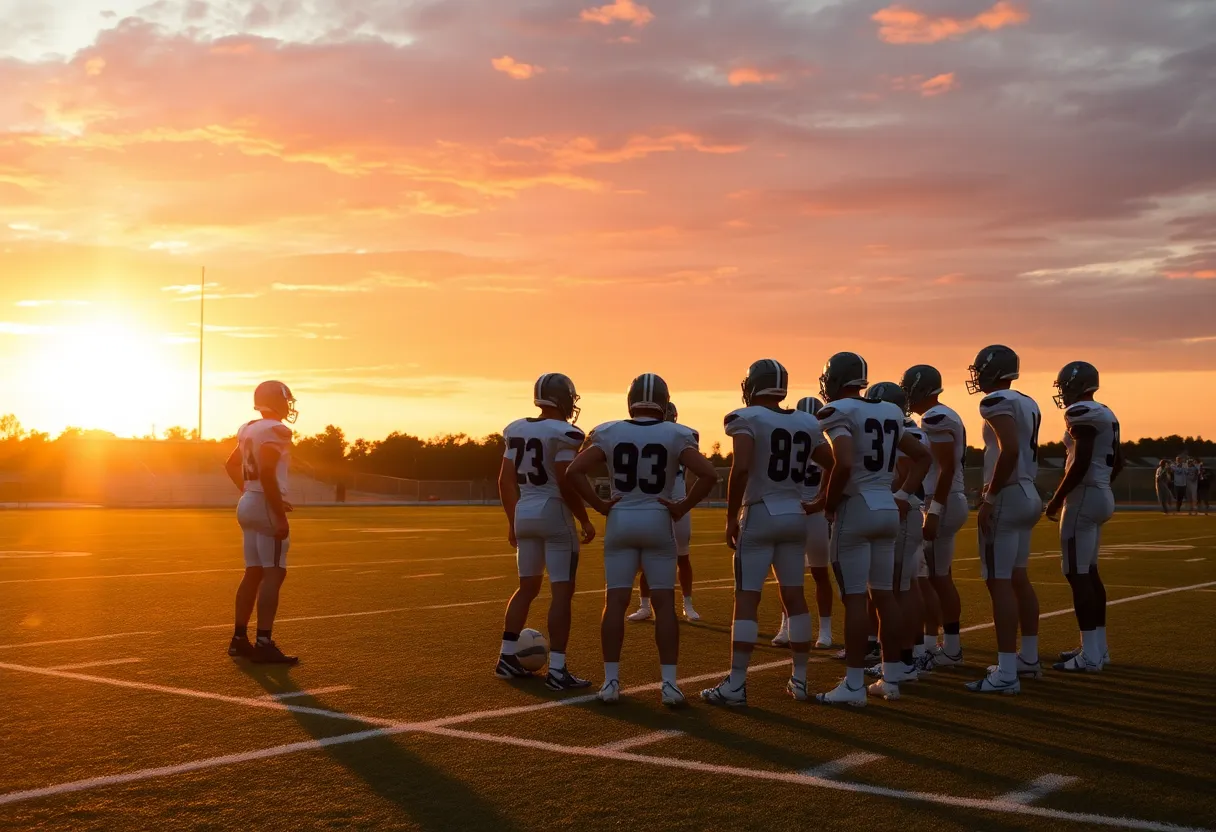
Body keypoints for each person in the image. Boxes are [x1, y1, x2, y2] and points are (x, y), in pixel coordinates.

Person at [565, 373, 719, 707]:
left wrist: (601, 505)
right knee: (664, 604)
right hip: (657, 518)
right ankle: (669, 684)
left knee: (615, 602)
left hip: (621, 518)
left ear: (630, 400)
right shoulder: (677, 433)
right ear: (665, 402)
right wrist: (683, 507)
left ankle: (610, 682)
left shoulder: (608, 431)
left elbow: (573, 471)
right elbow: (708, 474)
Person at [701, 360, 835, 706]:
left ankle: (736, 684)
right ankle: (801, 681)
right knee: (795, 597)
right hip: (794, 514)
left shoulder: (746, 418)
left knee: (747, 597)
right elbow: (833, 462)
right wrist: (820, 498)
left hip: (760, 512)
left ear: (752, 385)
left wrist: (731, 516)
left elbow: (742, 467)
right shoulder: (806, 421)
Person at [803, 353, 931, 706]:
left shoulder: (837, 411)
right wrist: (904, 493)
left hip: (856, 508)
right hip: (887, 507)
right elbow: (922, 457)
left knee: (856, 599)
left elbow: (843, 461)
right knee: (884, 596)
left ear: (833, 380)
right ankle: (891, 678)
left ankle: (855, 684)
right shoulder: (890, 411)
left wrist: (829, 504)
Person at [495, 373, 597, 689]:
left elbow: (505, 481)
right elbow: (565, 480)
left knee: (526, 587)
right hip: (553, 511)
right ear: (563, 399)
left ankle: (506, 657)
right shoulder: (566, 432)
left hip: (524, 509)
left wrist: (513, 521)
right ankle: (557, 670)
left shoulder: (517, 429)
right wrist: (584, 517)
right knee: (561, 593)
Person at [965, 345, 1042, 694]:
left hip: (1008, 495)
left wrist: (989, 497)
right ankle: (1028, 657)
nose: (977, 376)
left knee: (999, 583)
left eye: (980, 369)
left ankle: (1007, 672)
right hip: (1028, 492)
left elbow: (1009, 450)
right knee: (1018, 579)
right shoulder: (1028, 401)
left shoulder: (995, 402)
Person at [1045, 361, 1121, 673]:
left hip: (1085, 497)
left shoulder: (1082, 413)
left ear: (1077, 385)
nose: (1062, 391)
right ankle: (1097, 648)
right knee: (1088, 572)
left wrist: (1057, 498)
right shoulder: (1106, 412)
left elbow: (1083, 458)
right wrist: (1100, 485)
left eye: (1064, 385)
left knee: (1077, 574)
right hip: (1100, 492)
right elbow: (1119, 461)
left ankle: (1090, 655)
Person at [223, 381, 300, 665]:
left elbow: (230, 464)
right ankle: (264, 642)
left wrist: (248, 492)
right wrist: (277, 511)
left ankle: (239, 639)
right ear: (277, 401)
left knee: (253, 571)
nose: (288, 405)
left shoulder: (249, 428)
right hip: (265, 504)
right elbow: (268, 473)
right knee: (274, 572)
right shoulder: (276, 430)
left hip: (249, 503)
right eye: (285, 400)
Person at [863, 382, 930, 699]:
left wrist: (896, 495)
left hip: (904, 513)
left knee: (894, 590)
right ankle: (908, 655)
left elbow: (904, 472)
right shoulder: (907, 427)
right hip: (911, 514)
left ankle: (903, 660)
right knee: (907, 587)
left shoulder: (899, 430)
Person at [900, 364, 969, 672]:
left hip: (943, 500)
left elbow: (946, 470)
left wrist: (935, 511)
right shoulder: (942, 415)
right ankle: (943, 647)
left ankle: (950, 650)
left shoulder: (935, 418)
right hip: (945, 499)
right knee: (938, 577)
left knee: (936, 579)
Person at [628, 401, 700, 623]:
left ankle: (687, 604)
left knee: (682, 556)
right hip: (653, 501)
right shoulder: (644, 435)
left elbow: (691, 473)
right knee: (647, 557)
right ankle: (645, 605)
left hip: (676, 500)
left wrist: (686, 498)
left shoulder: (685, 435)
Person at [772, 396, 835, 651]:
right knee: (788, 578)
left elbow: (836, 469)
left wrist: (821, 500)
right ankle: (786, 625)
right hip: (794, 512)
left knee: (820, 573)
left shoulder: (824, 447)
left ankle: (825, 629)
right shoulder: (794, 445)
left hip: (813, 515)